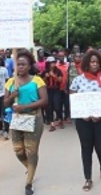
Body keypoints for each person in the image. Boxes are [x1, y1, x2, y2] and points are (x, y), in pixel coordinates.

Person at [70, 49, 101, 191]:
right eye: (92, 62)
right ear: (86, 63)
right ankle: (88, 178)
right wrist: (81, 113)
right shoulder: (78, 80)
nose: (94, 64)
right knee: (86, 148)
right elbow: (73, 99)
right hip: (83, 121)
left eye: (97, 62)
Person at [4, 49, 48, 195]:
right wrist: (12, 96)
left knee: (31, 151)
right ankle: (30, 168)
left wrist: (25, 107)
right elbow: (5, 103)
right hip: (17, 120)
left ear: (29, 66)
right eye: (18, 64)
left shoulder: (37, 80)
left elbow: (44, 100)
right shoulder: (11, 81)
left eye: (24, 64)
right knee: (18, 151)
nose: (20, 67)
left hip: (34, 118)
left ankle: (28, 183)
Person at [41, 57, 62, 131]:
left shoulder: (58, 71)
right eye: (51, 63)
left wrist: (53, 75)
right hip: (48, 90)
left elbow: (60, 80)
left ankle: (60, 119)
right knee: (49, 107)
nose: (52, 64)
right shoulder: (45, 71)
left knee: (57, 106)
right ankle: (52, 124)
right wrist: (46, 77)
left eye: (53, 62)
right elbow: (41, 82)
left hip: (56, 90)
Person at [56, 50, 70, 124]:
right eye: (60, 56)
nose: (61, 58)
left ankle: (67, 117)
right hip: (58, 88)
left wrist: (67, 87)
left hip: (66, 88)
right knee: (58, 104)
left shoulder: (68, 65)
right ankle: (59, 118)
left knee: (67, 103)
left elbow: (69, 76)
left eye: (62, 56)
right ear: (58, 57)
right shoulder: (56, 65)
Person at [0, 55, 9, 134]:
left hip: (3, 93)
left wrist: (7, 92)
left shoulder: (4, 70)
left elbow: (7, 81)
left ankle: (6, 130)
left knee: (5, 112)